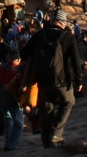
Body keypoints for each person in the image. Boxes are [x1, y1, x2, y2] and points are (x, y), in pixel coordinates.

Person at [21, 9, 82, 148]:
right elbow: (75, 61)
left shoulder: (40, 34)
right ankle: (56, 134)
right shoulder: (67, 36)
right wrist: (79, 80)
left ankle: (46, 141)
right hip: (61, 79)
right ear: (63, 22)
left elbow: (23, 53)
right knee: (68, 101)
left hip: (42, 79)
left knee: (46, 108)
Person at [0, 51, 24, 151]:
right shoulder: (18, 70)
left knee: (8, 122)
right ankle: (11, 144)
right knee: (18, 124)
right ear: (18, 60)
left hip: (1, 100)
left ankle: (8, 143)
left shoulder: (0, 68)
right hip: (13, 100)